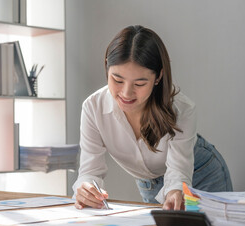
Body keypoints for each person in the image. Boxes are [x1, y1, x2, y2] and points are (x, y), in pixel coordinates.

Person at [73, 25, 233, 210]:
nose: (126, 93)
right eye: (117, 80)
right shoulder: (93, 108)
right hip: (150, 185)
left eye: (140, 83)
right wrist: (86, 189)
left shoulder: (181, 109)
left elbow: (179, 171)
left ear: (158, 77)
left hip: (202, 174)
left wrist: (175, 191)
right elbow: (90, 171)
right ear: (107, 67)